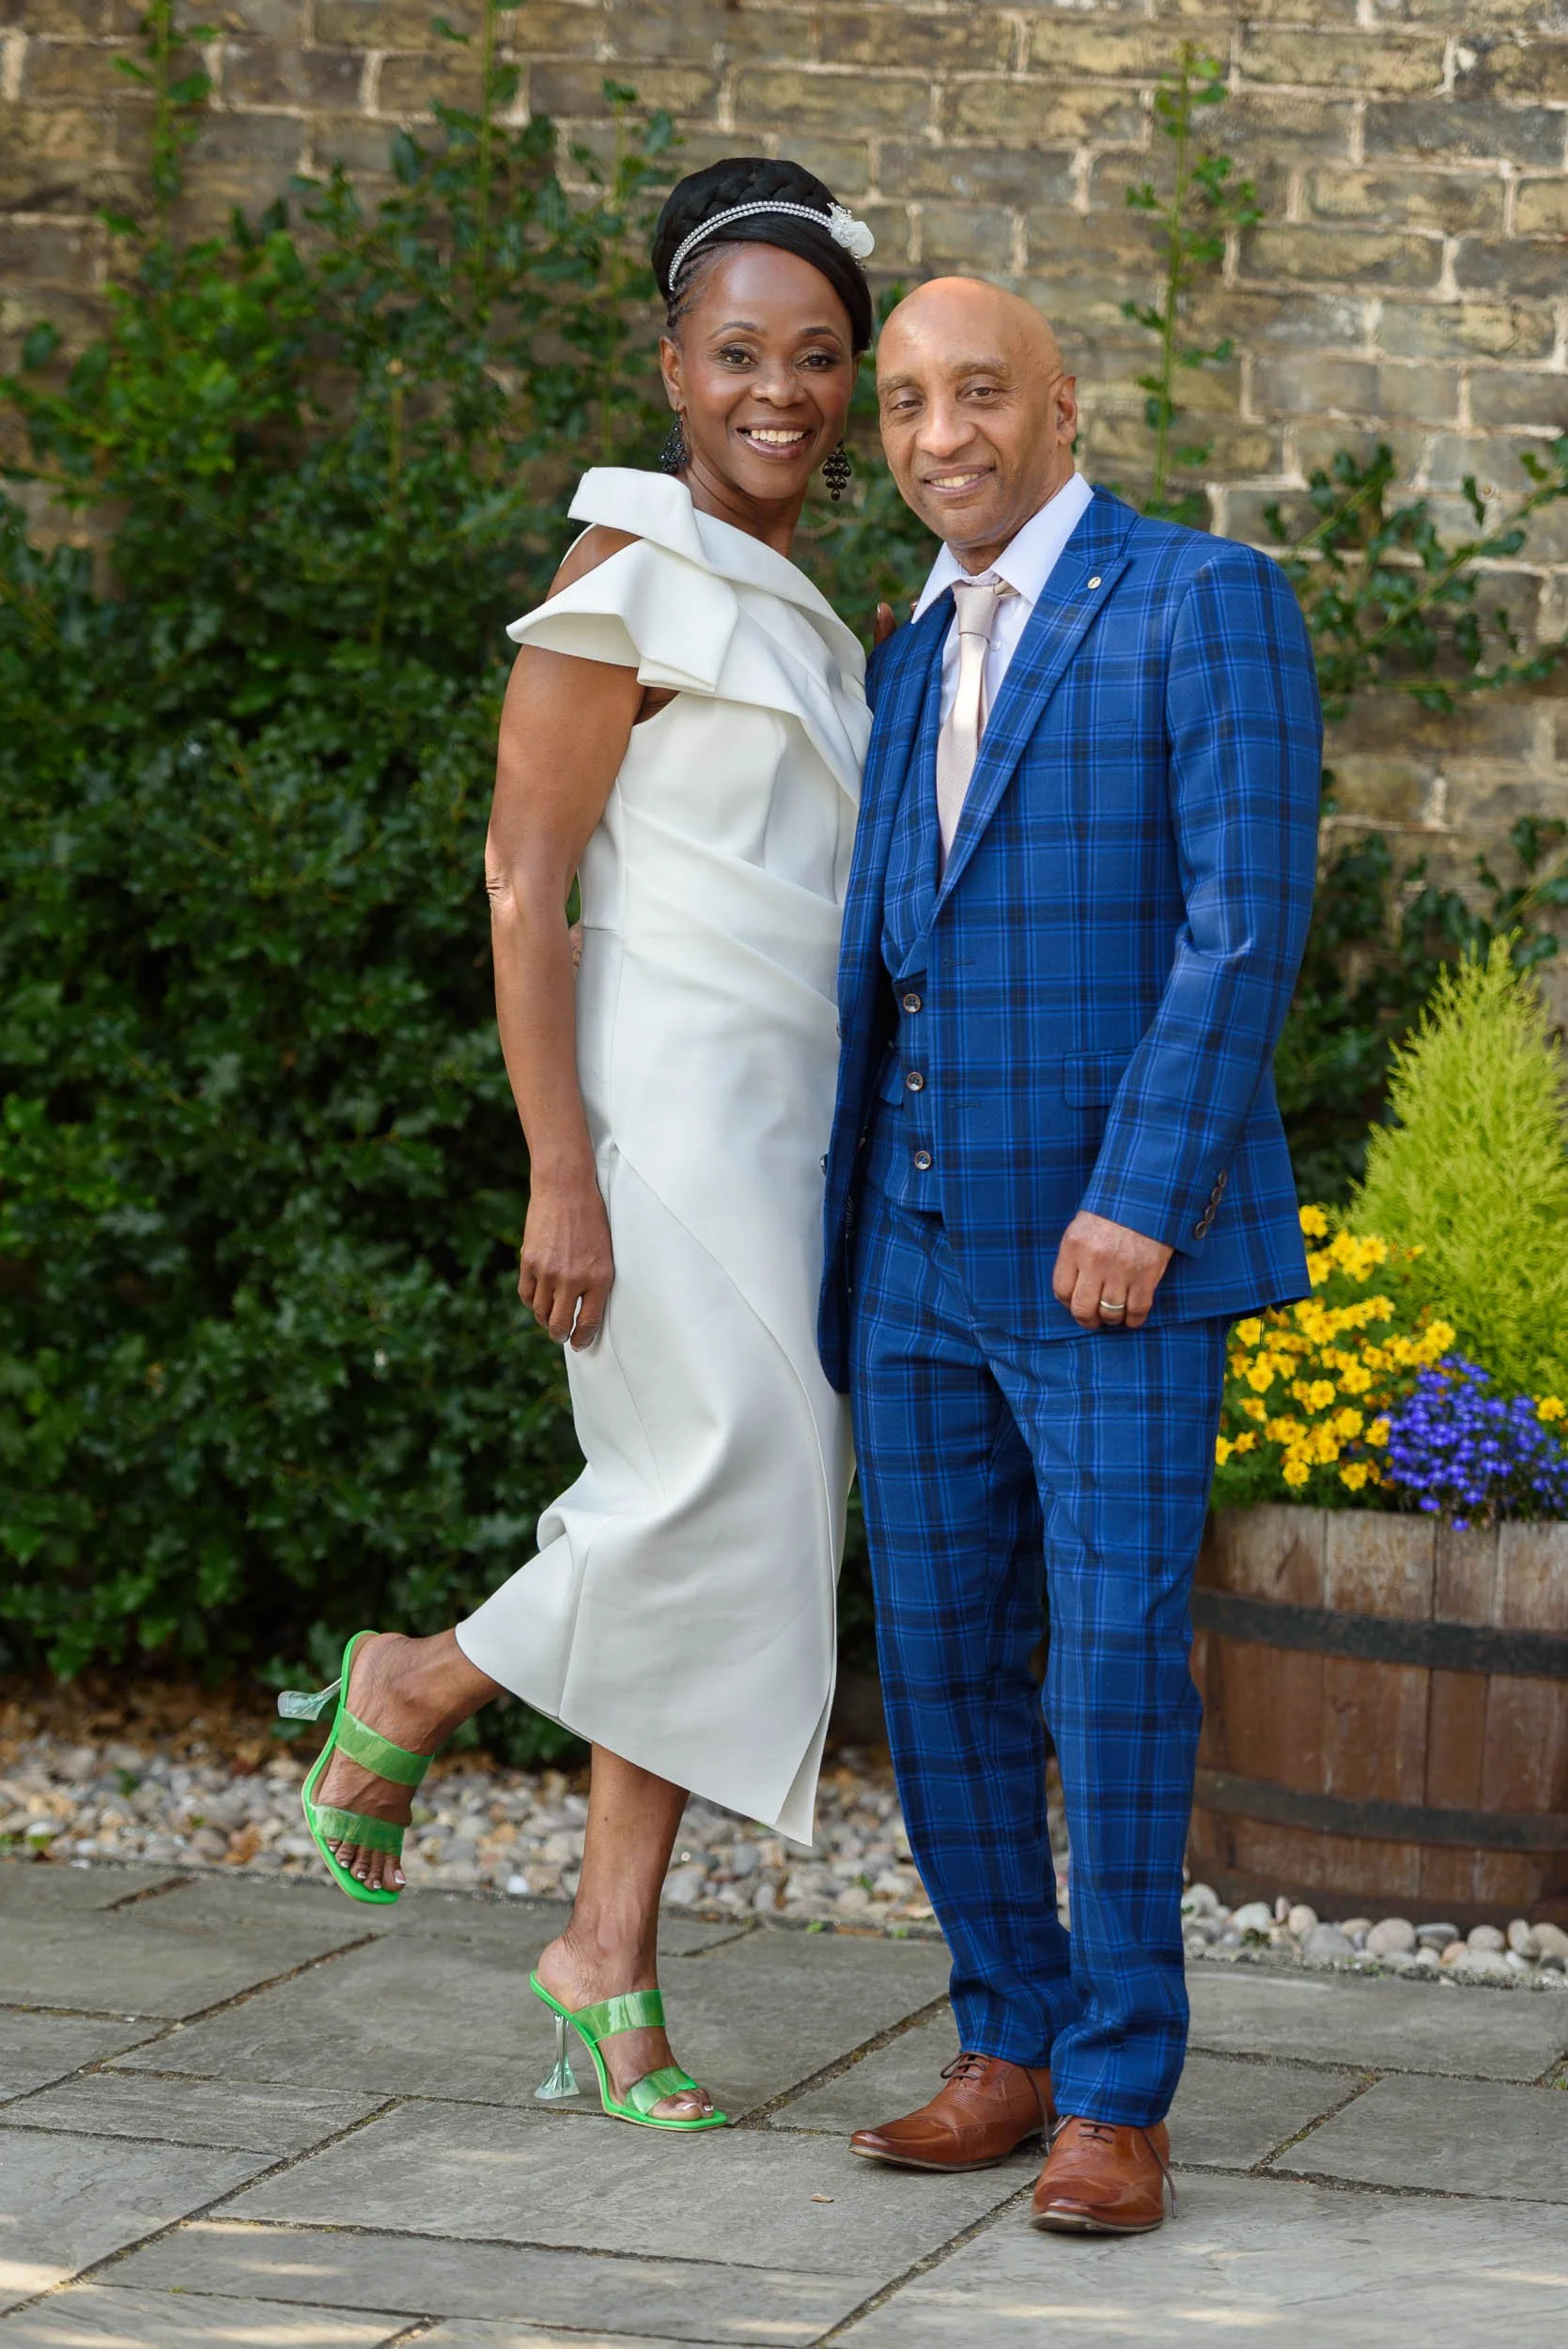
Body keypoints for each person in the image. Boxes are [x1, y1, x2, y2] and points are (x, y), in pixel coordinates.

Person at [278, 157, 877, 2132]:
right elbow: (523, 885)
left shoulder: (821, 608)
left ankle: (608, 1952)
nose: (776, 390)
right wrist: (560, 1164)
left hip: (792, 1123)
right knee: (730, 1473)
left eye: (814, 357)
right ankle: (419, 1679)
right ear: (672, 367)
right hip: (653, 1112)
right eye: (736, 355)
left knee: (728, 1515)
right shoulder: (616, 584)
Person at [818, 278, 1322, 2229]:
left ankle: (1120, 2086)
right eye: (910, 405)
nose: (940, 434)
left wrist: (1142, 1191)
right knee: (940, 1662)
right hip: (914, 1249)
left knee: (1113, 1664)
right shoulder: (904, 650)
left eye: (978, 396)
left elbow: (1243, 919)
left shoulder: (1201, 597)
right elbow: (896, 947)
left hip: (1110, 1253)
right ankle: (1005, 2039)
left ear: (1060, 404)